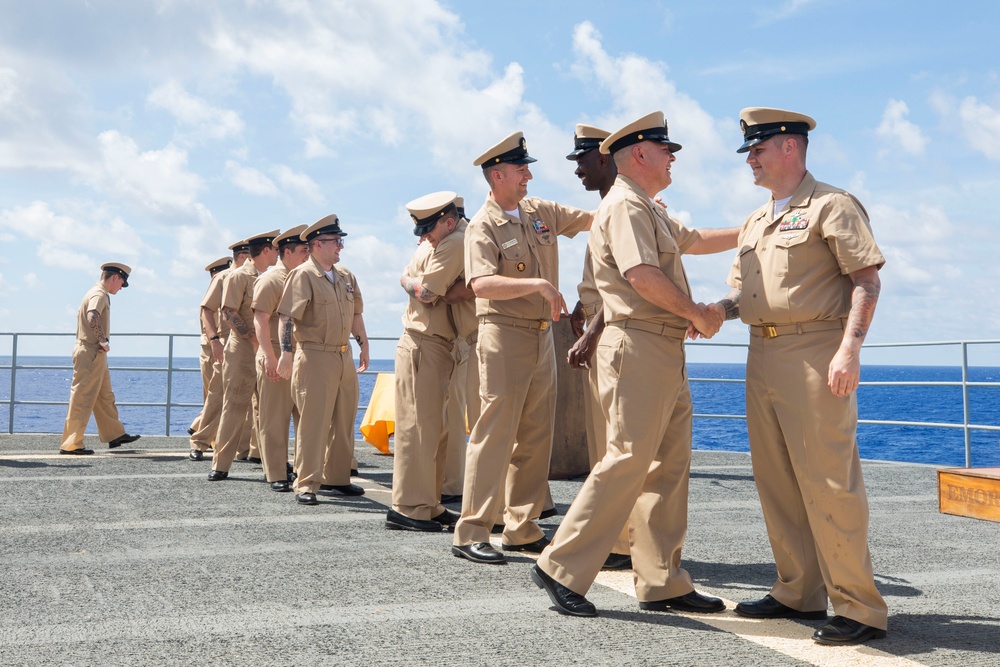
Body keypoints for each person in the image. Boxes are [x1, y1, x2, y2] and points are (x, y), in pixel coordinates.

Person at [532, 111, 738, 617]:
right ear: (641, 153)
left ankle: (662, 579)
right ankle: (559, 564)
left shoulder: (648, 207)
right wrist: (698, 314)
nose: (673, 158)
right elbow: (641, 274)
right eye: (667, 150)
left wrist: (752, 227)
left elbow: (696, 240)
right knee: (626, 458)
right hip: (639, 344)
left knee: (666, 465)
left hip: (663, 346)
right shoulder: (625, 206)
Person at [715, 107, 888, 645]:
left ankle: (860, 607)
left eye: (757, 149)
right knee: (778, 481)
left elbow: (866, 280)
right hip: (760, 355)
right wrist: (703, 313)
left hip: (816, 352)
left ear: (789, 147)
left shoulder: (832, 206)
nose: (750, 159)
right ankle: (799, 590)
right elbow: (741, 297)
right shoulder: (755, 220)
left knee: (829, 482)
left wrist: (849, 350)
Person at [451, 131, 592, 564]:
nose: (529, 174)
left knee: (535, 434)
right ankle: (471, 530)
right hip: (503, 333)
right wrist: (538, 283)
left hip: (539, 334)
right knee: (494, 433)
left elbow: (590, 219)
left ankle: (522, 527)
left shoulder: (539, 212)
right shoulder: (482, 225)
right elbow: (480, 284)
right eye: (521, 168)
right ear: (498, 175)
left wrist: (636, 211)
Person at [564, 123, 631, 572]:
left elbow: (627, 282)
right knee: (604, 442)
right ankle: (618, 540)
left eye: (582, 160)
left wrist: (590, 332)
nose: (577, 171)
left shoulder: (622, 207)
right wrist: (578, 308)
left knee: (616, 444)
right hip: (597, 329)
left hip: (610, 335)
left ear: (604, 158)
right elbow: (603, 276)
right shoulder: (606, 207)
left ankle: (622, 543)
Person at [386, 191, 469, 532]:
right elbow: (428, 294)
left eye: (428, 229)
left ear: (448, 221)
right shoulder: (452, 242)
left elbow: (410, 279)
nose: (423, 237)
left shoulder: (446, 242)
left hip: (436, 344)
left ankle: (428, 503)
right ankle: (409, 507)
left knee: (436, 429)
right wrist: (412, 282)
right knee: (419, 429)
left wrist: (407, 279)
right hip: (425, 342)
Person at [276, 215, 369, 506]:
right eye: (335, 242)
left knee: (344, 420)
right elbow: (287, 317)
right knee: (314, 422)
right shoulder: (303, 275)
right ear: (318, 244)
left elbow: (356, 313)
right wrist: (286, 353)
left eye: (341, 241)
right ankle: (306, 482)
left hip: (343, 355)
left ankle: (337, 477)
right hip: (315, 355)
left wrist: (364, 345)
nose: (340, 247)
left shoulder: (345, 276)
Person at [207, 230, 279, 480]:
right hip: (243, 351)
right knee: (235, 406)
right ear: (266, 250)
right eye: (276, 249)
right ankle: (221, 465)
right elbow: (228, 312)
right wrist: (253, 338)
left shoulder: (269, 277)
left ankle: (272, 464)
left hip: (266, 349)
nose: (279, 254)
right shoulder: (239, 276)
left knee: (268, 409)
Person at [59, 263, 141, 454]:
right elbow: (93, 316)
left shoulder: (96, 292)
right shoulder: (99, 294)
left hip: (93, 352)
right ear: (115, 278)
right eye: (121, 283)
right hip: (91, 351)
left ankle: (114, 434)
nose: (121, 288)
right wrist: (103, 341)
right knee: (82, 398)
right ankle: (71, 444)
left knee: (104, 396)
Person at [252, 225, 309, 492]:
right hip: (275, 351)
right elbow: (260, 319)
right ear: (287, 252)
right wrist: (268, 356)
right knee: (274, 417)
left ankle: (301, 470)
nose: (307, 256)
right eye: (303, 251)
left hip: (301, 355)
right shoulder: (271, 280)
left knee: (304, 416)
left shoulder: (304, 277)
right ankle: (275, 473)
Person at [189, 240, 251, 460]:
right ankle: (200, 442)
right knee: (217, 395)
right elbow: (207, 309)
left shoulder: (254, 277)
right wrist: (214, 340)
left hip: (250, 344)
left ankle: (247, 448)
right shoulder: (222, 278)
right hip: (227, 342)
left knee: (251, 400)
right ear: (242, 257)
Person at [187, 256, 232, 439]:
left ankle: (201, 427)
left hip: (216, 348)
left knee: (216, 395)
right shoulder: (213, 300)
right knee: (214, 395)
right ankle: (203, 431)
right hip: (213, 349)